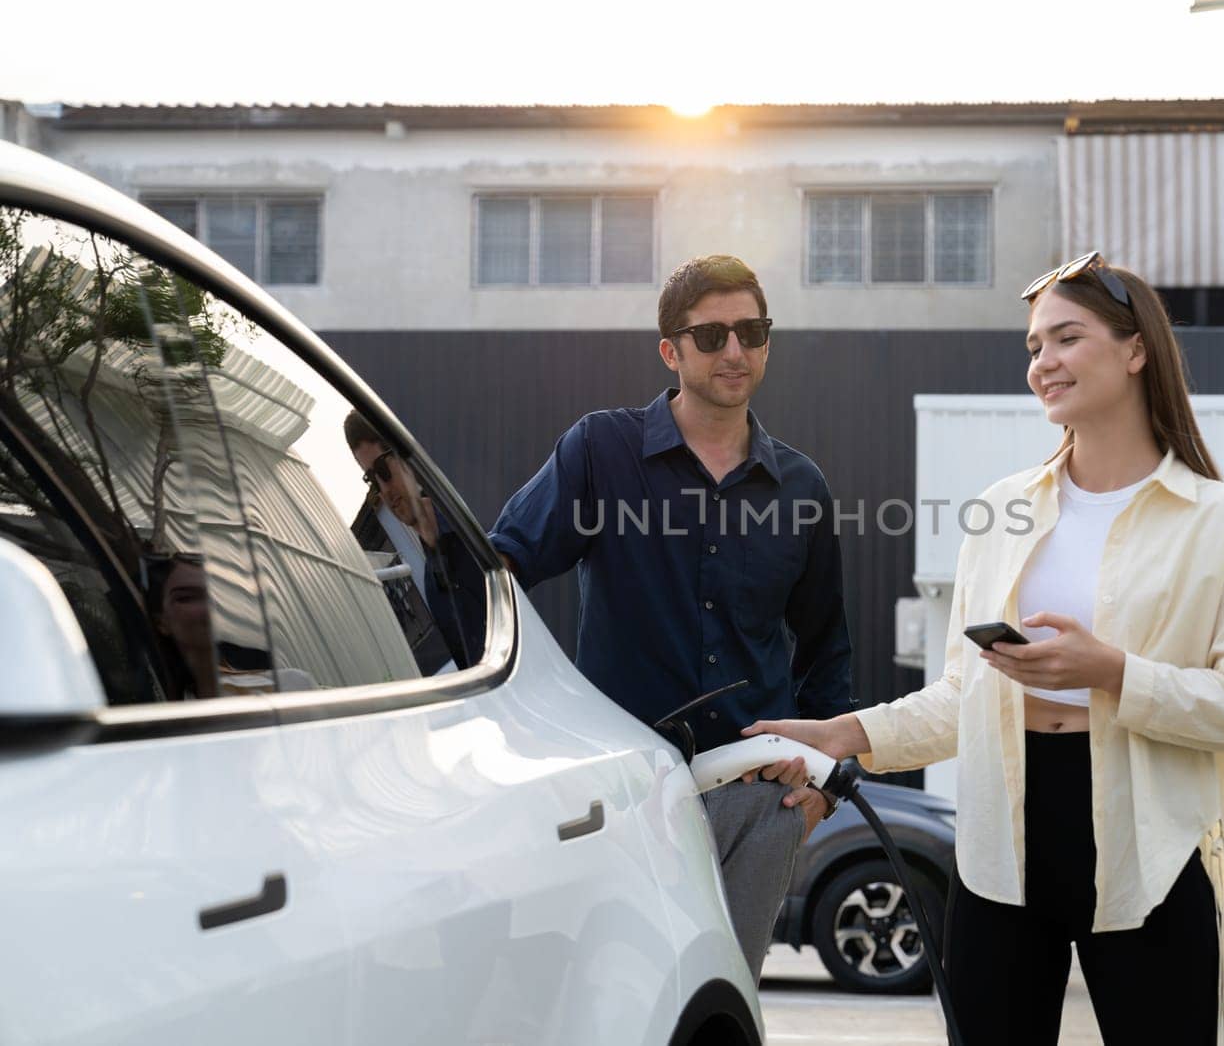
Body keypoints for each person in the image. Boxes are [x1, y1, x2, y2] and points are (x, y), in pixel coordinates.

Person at [746, 252, 1224, 1044]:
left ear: (1135, 349)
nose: (1043, 364)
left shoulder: (1217, 516)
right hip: (1003, 844)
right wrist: (843, 735)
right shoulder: (1003, 509)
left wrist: (1111, 673)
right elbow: (964, 695)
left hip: (1151, 849)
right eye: (1034, 347)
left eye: (1065, 339)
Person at [489, 254, 854, 978]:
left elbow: (827, 651)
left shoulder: (802, 486)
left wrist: (822, 792)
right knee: (618, 999)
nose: (735, 351)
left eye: (751, 331)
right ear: (671, 349)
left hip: (760, 802)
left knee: (721, 1002)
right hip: (627, 797)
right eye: (711, 335)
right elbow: (501, 573)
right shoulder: (601, 451)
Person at [344, 412, 486, 671]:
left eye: (383, 470)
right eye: (371, 479)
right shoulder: (433, 584)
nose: (384, 490)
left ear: (408, 458)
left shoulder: (478, 538)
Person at [146, 552, 314, 696]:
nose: (208, 608)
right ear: (161, 622)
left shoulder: (287, 687)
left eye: (216, 595)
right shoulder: (157, 700)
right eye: (186, 598)